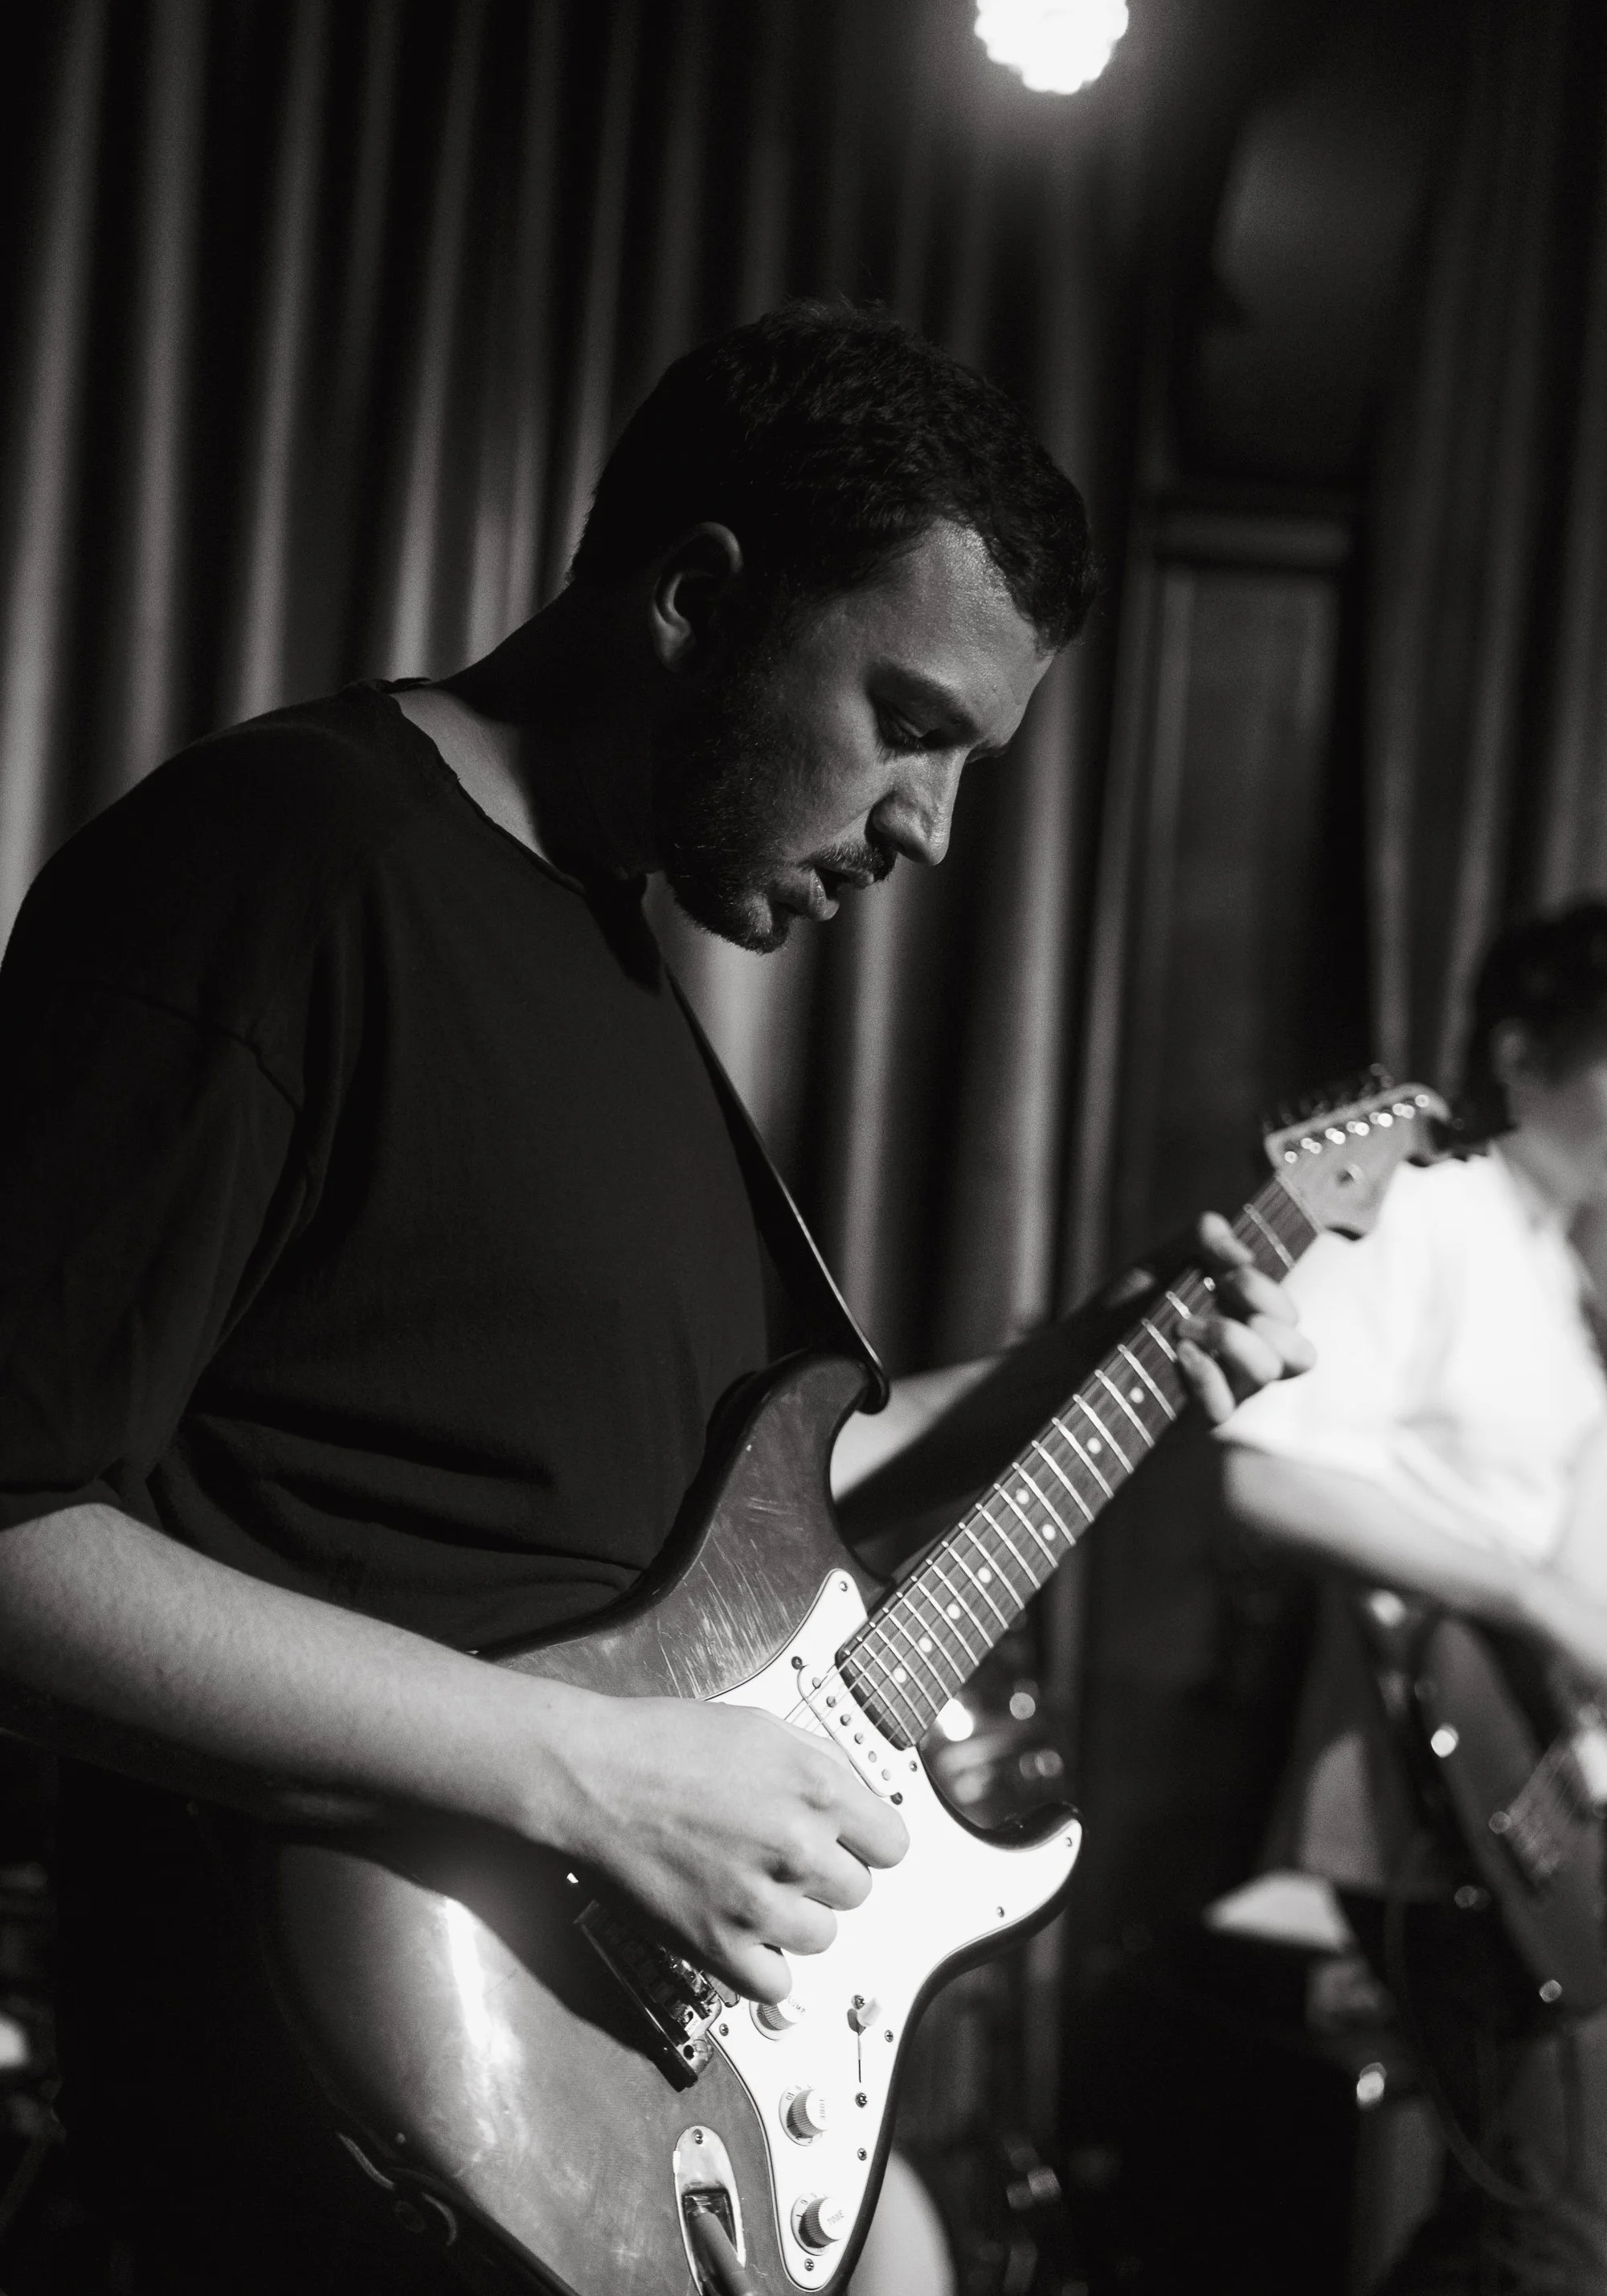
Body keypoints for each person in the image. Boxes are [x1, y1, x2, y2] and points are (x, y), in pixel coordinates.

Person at [0, 300, 1307, 2293]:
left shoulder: (613, 963)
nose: (928, 830)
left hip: (593, 2115)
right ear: (696, 597)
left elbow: (729, 1527)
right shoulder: (283, 865)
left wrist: (1101, 1355)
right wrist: (589, 1775)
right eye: (909, 724)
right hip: (317, 2134)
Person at [1219, 901, 1607, 2295]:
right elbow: (1269, 1475)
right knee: (1552, 2233)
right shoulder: (1426, 1211)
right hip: (1439, 1804)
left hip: (1540, 1798)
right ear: (1521, 1056)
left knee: (1540, 2223)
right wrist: (1536, 1598)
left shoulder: (1561, 1268)